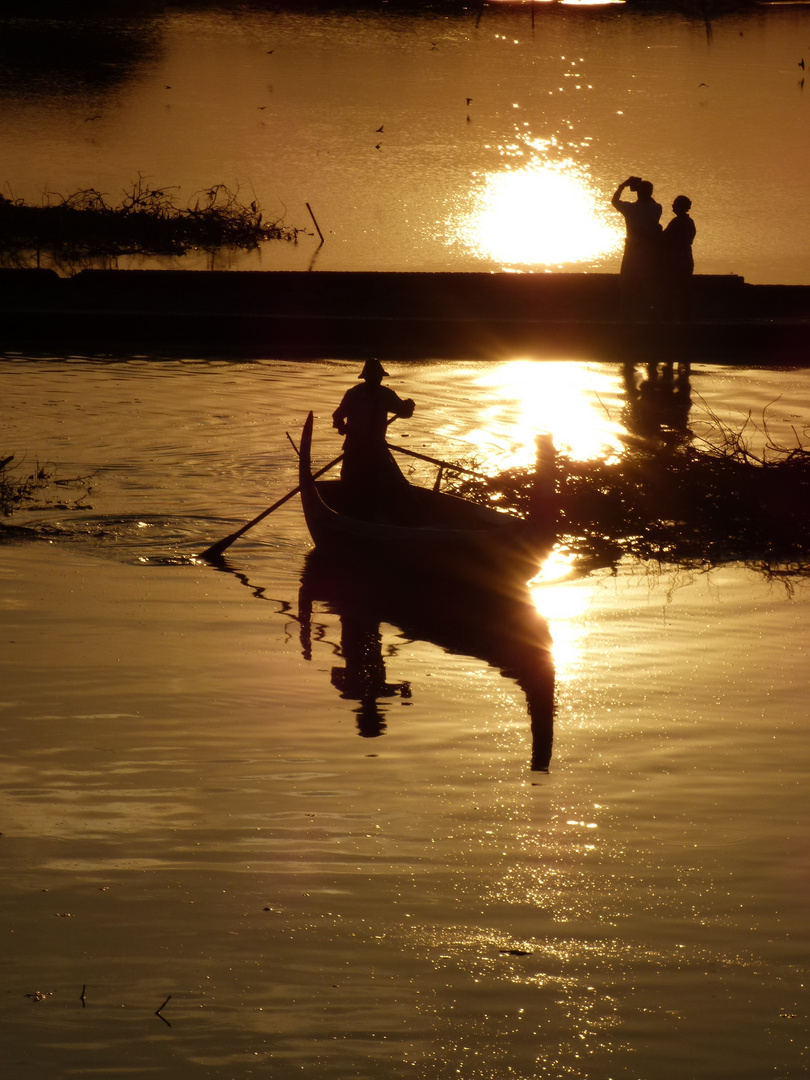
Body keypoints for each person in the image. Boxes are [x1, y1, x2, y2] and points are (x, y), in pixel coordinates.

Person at [331, 357, 415, 516]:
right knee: (350, 483)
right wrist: (343, 428)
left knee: (374, 484)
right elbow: (337, 417)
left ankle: (372, 513)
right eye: (374, 378)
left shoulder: (386, 395)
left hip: (376, 449)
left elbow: (404, 412)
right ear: (367, 378)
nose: (377, 380)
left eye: (378, 378)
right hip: (354, 448)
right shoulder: (353, 395)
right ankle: (348, 513)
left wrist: (408, 407)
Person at [611, 175, 663, 319]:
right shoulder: (657, 208)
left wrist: (623, 186)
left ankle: (625, 317)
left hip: (632, 252)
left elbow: (614, 201)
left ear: (638, 192)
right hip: (649, 252)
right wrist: (640, 189)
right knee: (647, 285)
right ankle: (648, 316)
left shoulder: (630, 208)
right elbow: (650, 202)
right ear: (651, 193)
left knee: (627, 285)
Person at [659, 195, 696, 322]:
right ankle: (684, 317)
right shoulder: (689, 222)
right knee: (684, 290)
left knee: (669, 290)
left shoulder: (677, 222)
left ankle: (669, 318)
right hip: (685, 259)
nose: (672, 206)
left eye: (675, 204)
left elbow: (665, 239)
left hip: (675, 260)